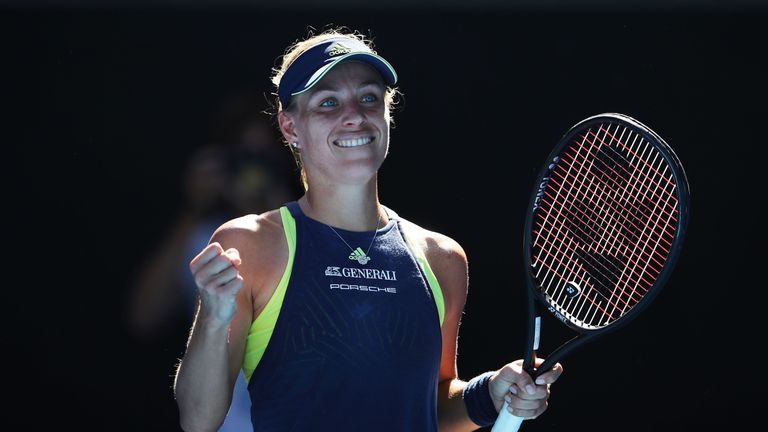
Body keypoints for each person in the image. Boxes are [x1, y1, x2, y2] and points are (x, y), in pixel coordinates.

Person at [174, 28, 563, 432]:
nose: (355, 116)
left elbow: (434, 404)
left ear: (385, 114)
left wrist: (488, 394)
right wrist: (213, 320)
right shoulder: (250, 245)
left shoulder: (441, 258)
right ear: (290, 128)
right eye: (328, 103)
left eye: (368, 98)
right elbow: (198, 420)